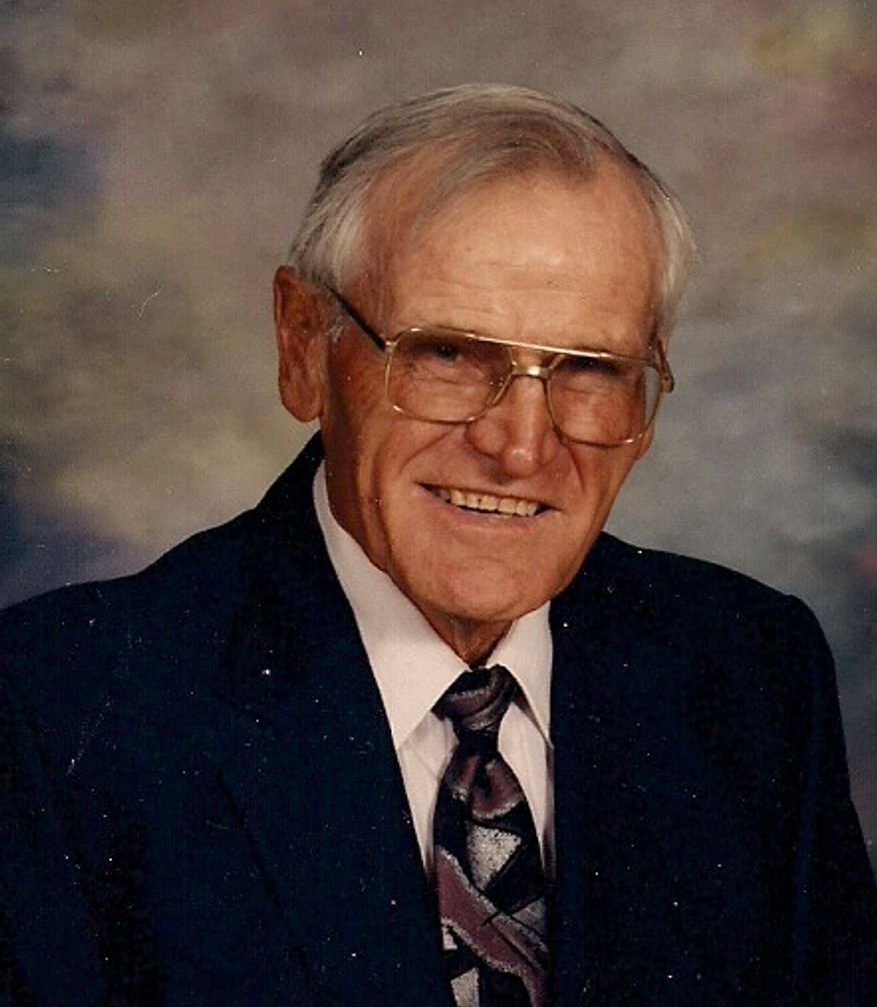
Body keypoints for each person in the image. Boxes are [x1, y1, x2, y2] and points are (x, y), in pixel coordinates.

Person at [0, 84, 874, 1007]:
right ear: (303, 347)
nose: (520, 447)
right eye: (447, 355)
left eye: (587, 368)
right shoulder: (59, 712)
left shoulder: (750, 672)